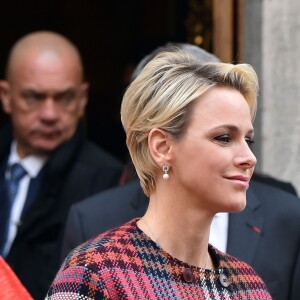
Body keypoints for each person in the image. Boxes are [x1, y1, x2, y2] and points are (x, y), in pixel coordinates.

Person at [61, 43, 300, 300]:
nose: (249, 158)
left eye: (248, 140)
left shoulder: (250, 287)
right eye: (223, 137)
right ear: (162, 147)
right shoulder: (93, 273)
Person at [0, 31, 123, 299]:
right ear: (6, 96)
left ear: (82, 99)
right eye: (33, 97)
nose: (49, 114)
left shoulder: (107, 182)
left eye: (64, 98)